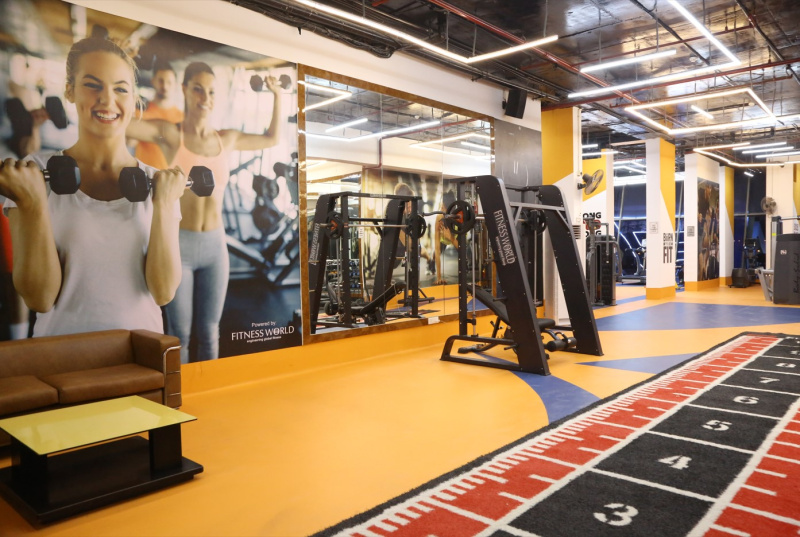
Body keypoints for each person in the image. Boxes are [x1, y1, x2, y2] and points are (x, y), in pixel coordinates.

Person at [0, 37, 185, 338]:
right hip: (60, 356)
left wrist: (163, 204)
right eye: (92, 85)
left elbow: (163, 293)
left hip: (141, 354)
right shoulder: (35, 174)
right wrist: (32, 204)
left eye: (120, 89)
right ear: (70, 90)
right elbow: (39, 298)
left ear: (134, 98)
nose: (107, 100)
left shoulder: (159, 183)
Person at [126, 62, 284, 363]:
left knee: (211, 332)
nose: (205, 98)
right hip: (179, 246)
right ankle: (181, 392)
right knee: (180, 335)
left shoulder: (228, 138)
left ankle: (210, 390)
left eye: (211, 92)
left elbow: (272, 138)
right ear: (184, 90)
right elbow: (125, 124)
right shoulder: (171, 134)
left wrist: (277, 95)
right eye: (198, 89)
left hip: (215, 246)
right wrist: (124, 83)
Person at [133, 60, 183, 169]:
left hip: (171, 174)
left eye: (169, 82)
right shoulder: (140, 112)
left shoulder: (182, 118)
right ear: (153, 81)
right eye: (161, 81)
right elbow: (130, 142)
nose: (164, 86)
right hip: (144, 174)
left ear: (175, 85)